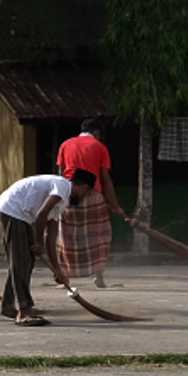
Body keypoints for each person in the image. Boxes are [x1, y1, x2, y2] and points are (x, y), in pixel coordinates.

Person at [0, 169, 76, 325]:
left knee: (25, 261)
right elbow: (42, 214)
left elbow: (51, 235)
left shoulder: (62, 202)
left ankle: (9, 305)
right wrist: (39, 243)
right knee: (20, 261)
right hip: (14, 210)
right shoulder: (64, 186)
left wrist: (57, 269)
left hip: (23, 215)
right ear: (83, 187)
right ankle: (24, 311)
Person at [53, 120, 124, 286]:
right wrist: (116, 206)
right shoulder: (100, 147)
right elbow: (105, 180)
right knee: (99, 237)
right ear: (97, 133)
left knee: (67, 237)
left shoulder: (65, 145)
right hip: (93, 197)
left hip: (69, 195)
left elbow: (60, 175)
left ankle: (66, 278)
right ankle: (99, 277)